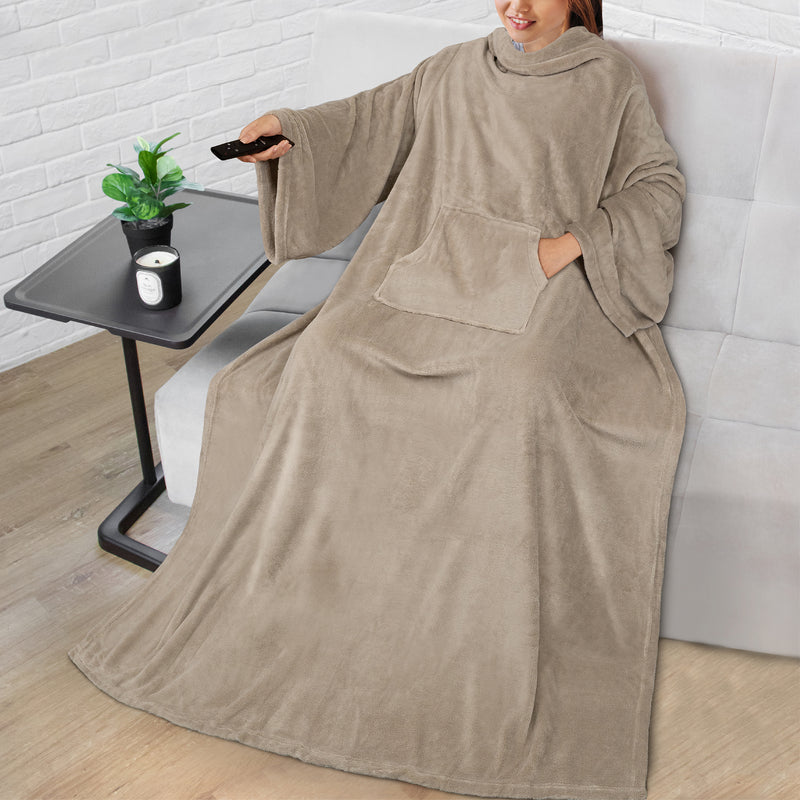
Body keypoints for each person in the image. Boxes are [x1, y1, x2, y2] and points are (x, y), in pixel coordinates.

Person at [70, 3, 686, 799]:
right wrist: (290, 133)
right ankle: (323, 601)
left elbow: (657, 186)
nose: (515, 8)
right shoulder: (456, 69)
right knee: (327, 354)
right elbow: (370, 122)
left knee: (517, 385)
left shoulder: (608, 81)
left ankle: (466, 629)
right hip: (432, 265)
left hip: (541, 282)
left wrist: (566, 247)